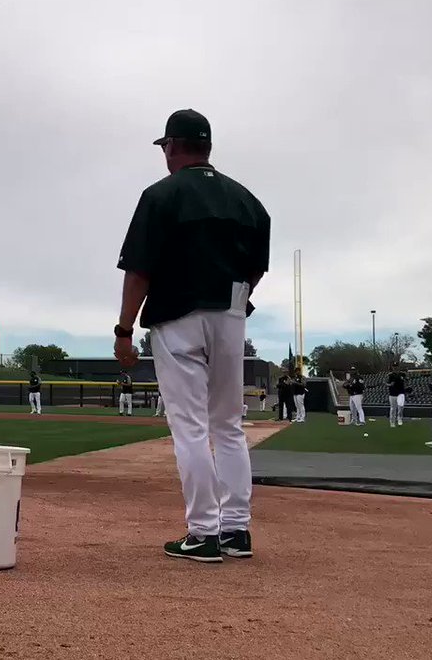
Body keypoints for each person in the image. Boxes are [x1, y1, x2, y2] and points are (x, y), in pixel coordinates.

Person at [114, 108, 270, 563]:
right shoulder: (248, 200)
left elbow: (139, 269)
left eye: (165, 146)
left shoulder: (161, 195)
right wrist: (237, 301)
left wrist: (125, 329)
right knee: (228, 425)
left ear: (173, 146)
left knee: (190, 427)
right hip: (231, 314)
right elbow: (257, 266)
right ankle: (236, 530)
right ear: (207, 147)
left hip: (178, 316)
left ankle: (203, 532)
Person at [387, 362, 407, 427]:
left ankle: (399, 418)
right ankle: (392, 422)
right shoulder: (390, 375)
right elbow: (386, 383)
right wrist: (390, 384)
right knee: (393, 408)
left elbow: (406, 380)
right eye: (394, 366)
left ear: (398, 367)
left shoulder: (402, 374)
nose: (395, 367)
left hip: (401, 392)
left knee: (401, 406)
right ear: (392, 367)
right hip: (392, 393)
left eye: (396, 366)